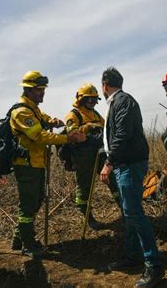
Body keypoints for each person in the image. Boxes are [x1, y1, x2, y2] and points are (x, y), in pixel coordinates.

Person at [99, 67, 164, 288]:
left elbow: (122, 135)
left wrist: (108, 163)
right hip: (122, 163)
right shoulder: (116, 103)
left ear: (105, 85)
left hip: (129, 164)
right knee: (129, 212)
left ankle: (154, 265)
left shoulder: (123, 101)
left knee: (134, 212)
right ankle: (133, 256)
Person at [10, 71, 85, 258]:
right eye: (38, 90)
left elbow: (43, 119)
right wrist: (67, 138)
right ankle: (28, 244)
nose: (42, 93)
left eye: (43, 89)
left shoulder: (33, 109)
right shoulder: (21, 112)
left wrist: (54, 121)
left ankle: (19, 237)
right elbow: (40, 136)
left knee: (36, 201)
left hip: (37, 164)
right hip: (26, 166)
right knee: (28, 205)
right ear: (28, 90)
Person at [64, 82, 120, 229]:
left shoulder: (95, 114)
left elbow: (106, 126)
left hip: (99, 154)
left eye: (95, 100)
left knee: (113, 180)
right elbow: (72, 134)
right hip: (83, 158)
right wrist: (87, 127)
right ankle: (89, 219)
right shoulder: (73, 114)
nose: (93, 103)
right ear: (81, 99)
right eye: (90, 100)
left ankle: (125, 211)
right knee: (84, 190)